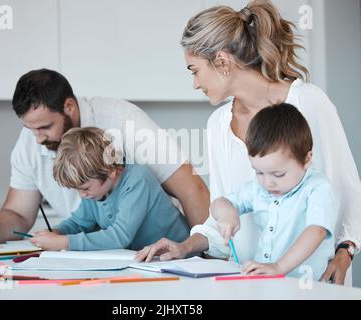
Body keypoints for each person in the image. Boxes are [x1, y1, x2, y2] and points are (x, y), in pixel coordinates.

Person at [135, 0, 361, 284]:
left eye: (194, 70)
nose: (194, 83)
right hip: (250, 282)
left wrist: (346, 251)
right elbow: (223, 213)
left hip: (313, 281)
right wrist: (185, 246)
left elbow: (348, 191)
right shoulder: (217, 124)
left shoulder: (308, 102)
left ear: (222, 62)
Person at [0, 69, 209, 246]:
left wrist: (205, 255)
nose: (38, 139)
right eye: (29, 129)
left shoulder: (125, 123)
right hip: (119, 257)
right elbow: (17, 213)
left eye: (44, 127)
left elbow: (192, 190)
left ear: (69, 107)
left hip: (162, 253)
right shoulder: (32, 140)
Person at [137, 103, 338, 280]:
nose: (268, 182)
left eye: (279, 174)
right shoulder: (258, 188)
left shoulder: (318, 188)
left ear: (307, 158)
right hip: (269, 284)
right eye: (259, 172)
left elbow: (316, 231)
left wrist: (278, 267)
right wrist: (227, 213)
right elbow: (220, 202)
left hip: (308, 287)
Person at [30, 127, 190, 251]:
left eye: (85, 188)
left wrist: (64, 242)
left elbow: (120, 236)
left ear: (110, 172)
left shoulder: (136, 180)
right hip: (145, 260)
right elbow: (80, 222)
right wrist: (57, 232)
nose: (82, 194)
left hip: (179, 259)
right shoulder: (94, 192)